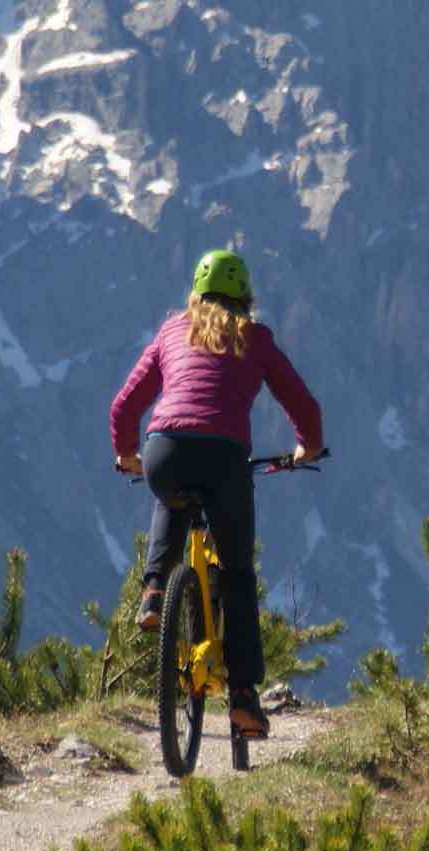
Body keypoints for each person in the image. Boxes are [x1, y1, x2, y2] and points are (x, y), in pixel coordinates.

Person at [109, 249, 323, 738]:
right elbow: (302, 404)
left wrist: (127, 455)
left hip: (164, 449)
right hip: (225, 458)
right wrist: (307, 447)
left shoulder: (171, 332)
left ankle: (154, 590)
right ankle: (243, 699)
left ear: (196, 293)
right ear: (245, 298)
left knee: (171, 496)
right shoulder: (256, 337)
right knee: (237, 575)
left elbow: (123, 406)